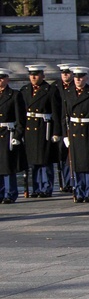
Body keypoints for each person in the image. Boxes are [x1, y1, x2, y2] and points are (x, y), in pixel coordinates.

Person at [20, 64, 62, 197]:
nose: (33, 77)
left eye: (36, 74)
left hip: (44, 128)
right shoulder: (25, 90)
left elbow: (56, 112)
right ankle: (36, 188)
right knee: (33, 161)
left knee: (45, 160)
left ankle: (46, 188)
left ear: (43, 76)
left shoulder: (50, 90)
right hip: (30, 129)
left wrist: (56, 132)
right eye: (31, 74)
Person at [63, 67, 89, 203]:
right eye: (76, 77)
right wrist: (65, 135)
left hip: (88, 131)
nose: (78, 80)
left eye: (80, 77)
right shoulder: (68, 93)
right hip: (74, 131)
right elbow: (64, 116)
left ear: (86, 78)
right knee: (77, 164)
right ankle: (79, 191)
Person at [0, 68, 27, 203]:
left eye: (2, 77)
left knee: (7, 165)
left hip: (7, 132)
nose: (0, 80)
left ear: (7, 79)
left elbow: (21, 119)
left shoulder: (14, 95)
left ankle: (10, 193)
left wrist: (17, 135)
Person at [56, 64, 74, 191]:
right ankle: (63, 181)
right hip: (58, 125)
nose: (65, 75)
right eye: (63, 73)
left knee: (70, 157)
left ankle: (70, 182)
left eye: (67, 72)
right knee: (60, 156)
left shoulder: (76, 87)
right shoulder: (55, 87)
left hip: (71, 125)